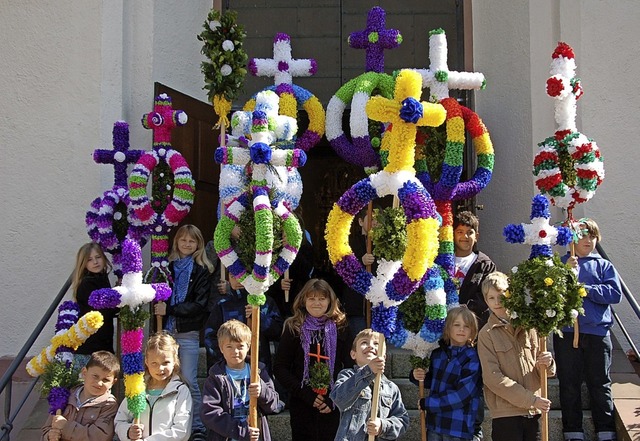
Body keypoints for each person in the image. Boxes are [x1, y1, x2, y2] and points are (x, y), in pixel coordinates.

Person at [554, 218, 622, 441]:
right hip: (568, 333)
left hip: (597, 333)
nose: (588, 240)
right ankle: (572, 431)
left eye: (592, 236)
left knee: (600, 383)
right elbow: (551, 296)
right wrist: (565, 273)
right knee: (569, 383)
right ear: (572, 239)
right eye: (582, 235)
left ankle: (606, 431)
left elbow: (614, 294)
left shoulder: (603, 265)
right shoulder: (561, 265)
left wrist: (586, 289)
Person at [477, 272, 555, 441]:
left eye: (501, 295)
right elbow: (492, 378)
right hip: (506, 414)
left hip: (534, 411)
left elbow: (542, 370)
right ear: (485, 301)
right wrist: (529, 399)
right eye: (491, 298)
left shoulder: (530, 326)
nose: (497, 302)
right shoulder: (486, 335)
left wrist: (548, 363)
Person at [273, 278, 352, 441]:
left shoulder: (340, 327)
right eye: (312, 298)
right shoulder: (293, 327)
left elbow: (350, 366)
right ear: (303, 301)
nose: (317, 303)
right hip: (302, 401)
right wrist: (304, 393)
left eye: (322, 298)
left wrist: (335, 398)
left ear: (330, 301)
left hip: (333, 404)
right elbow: (280, 367)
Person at [154, 224, 213, 441]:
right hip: (167, 333)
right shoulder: (165, 269)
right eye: (183, 240)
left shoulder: (201, 271)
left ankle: (197, 426)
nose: (187, 244)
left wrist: (169, 309)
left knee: (188, 378)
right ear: (176, 242)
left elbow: (199, 304)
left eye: (192, 241)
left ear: (198, 245)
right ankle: (168, 423)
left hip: (187, 333)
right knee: (166, 378)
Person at [201, 319, 281, 441]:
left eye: (240, 346)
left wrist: (262, 391)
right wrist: (241, 430)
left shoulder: (258, 371)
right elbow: (209, 413)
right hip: (228, 435)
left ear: (248, 347)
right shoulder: (216, 377)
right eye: (229, 346)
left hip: (256, 435)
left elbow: (274, 405)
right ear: (221, 348)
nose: (235, 351)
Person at [410, 306, 482, 441]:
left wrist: (429, 404)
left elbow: (462, 395)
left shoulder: (471, 358)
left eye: (467, 326)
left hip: (458, 427)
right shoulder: (438, 354)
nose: (461, 329)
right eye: (457, 325)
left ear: (472, 331)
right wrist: (417, 376)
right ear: (448, 328)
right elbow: (433, 381)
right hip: (434, 425)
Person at [330, 328, 409, 441]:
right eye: (364, 342)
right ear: (353, 354)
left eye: (376, 344)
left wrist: (382, 425)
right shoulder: (347, 375)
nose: (371, 346)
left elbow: (402, 420)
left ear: (384, 357)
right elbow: (339, 398)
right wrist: (368, 371)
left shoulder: (391, 388)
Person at [114, 332, 192, 441]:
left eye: (165, 362)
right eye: (154, 363)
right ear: (146, 361)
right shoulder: (138, 388)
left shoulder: (180, 391)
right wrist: (128, 432)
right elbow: (120, 420)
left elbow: (181, 430)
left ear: (174, 361)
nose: (160, 368)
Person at [204, 274, 283, 372]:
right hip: (229, 368)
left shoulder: (265, 303)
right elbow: (210, 336)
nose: (238, 280)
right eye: (233, 276)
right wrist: (226, 358)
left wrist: (260, 318)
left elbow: (278, 332)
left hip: (259, 366)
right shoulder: (222, 305)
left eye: (242, 276)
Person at [41, 351, 119, 441]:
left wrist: (65, 427)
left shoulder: (108, 405)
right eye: (95, 376)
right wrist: (49, 436)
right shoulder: (66, 396)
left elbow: (100, 436)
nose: (99, 383)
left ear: (113, 382)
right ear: (84, 373)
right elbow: (46, 429)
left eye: (105, 380)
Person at [71, 243, 118, 366]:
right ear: (84, 264)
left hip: (103, 343)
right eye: (90, 260)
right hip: (89, 347)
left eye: (98, 257)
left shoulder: (101, 278)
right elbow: (105, 310)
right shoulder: (87, 284)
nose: (95, 262)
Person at [453, 211, 496, 330]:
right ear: (453, 234)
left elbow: (486, 295)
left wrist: (464, 310)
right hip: (445, 326)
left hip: (475, 326)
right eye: (460, 232)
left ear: (476, 236)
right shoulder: (443, 261)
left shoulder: (485, 265)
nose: (465, 237)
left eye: (469, 232)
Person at [341, 207, 377, 342]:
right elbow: (342, 269)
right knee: (359, 343)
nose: (375, 223)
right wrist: (360, 262)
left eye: (378, 220)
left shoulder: (384, 244)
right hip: (356, 305)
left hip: (377, 305)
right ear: (361, 221)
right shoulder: (349, 243)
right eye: (371, 219)